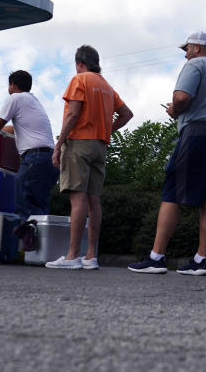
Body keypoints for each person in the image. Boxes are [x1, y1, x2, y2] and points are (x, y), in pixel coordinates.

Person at [129, 32, 206, 276]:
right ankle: (201, 260)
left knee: (172, 192)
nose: (186, 54)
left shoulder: (195, 65)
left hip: (197, 133)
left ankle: (156, 258)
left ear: (198, 48)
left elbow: (181, 97)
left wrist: (175, 110)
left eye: (187, 49)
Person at [46, 45, 133, 270]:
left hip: (79, 143)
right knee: (94, 199)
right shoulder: (106, 86)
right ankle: (90, 256)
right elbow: (127, 114)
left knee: (78, 198)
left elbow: (73, 113)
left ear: (80, 63)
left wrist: (58, 144)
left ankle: (72, 256)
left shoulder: (80, 80)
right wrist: (108, 129)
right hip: (100, 146)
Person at [0, 71, 57, 218]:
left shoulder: (16, 97)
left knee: (23, 201)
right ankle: (41, 240)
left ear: (13, 85)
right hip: (50, 159)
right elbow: (13, 128)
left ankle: (29, 240)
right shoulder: (32, 101)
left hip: (35, 158)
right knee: (39, 208)